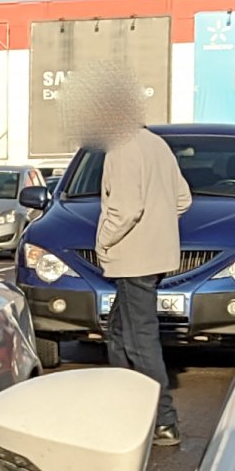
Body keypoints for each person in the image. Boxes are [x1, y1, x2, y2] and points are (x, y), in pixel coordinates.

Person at [64, 62, 192, 445]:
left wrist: (103, 242)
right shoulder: (156, 144)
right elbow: (182, 199)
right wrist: (159, 227)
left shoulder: (121, 149)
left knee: (139, 339)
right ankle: (127, 407)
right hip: (155, 257)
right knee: (119, 332)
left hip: (132, 257)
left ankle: (161, 420)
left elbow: (124, 208)